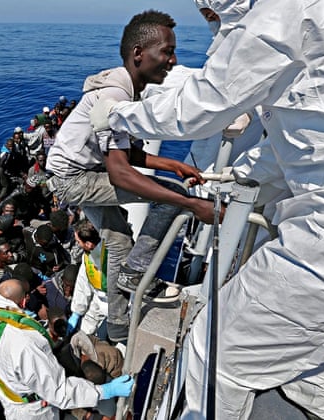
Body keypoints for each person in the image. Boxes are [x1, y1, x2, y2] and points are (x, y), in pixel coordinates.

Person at [106, 1, 324, 418]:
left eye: (212, 12)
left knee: (214, 347)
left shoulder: (291, 9)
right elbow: (307, 138)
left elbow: (204, 103)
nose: (216, 23)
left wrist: (121, 115)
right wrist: (231, 175)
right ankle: (315, 389)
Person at [45, 10, 214, 344]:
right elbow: (120, 172)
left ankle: (119, 324)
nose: (173, 59)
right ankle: (137, 274)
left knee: (120, 239)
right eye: (166, 51)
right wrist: (192, 204)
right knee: (172, 201)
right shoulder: (115, 97)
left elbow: (128, 154)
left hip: (79, 173)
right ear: (139, 53)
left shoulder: (127, 92)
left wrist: (172, 164)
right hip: (75, 178)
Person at [0, 279, 135, 419]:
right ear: (24, 301)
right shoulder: (25, 343)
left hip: (14, 399)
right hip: (33, 412)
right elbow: (60, 392)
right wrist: (105, 391)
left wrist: (32, 389)